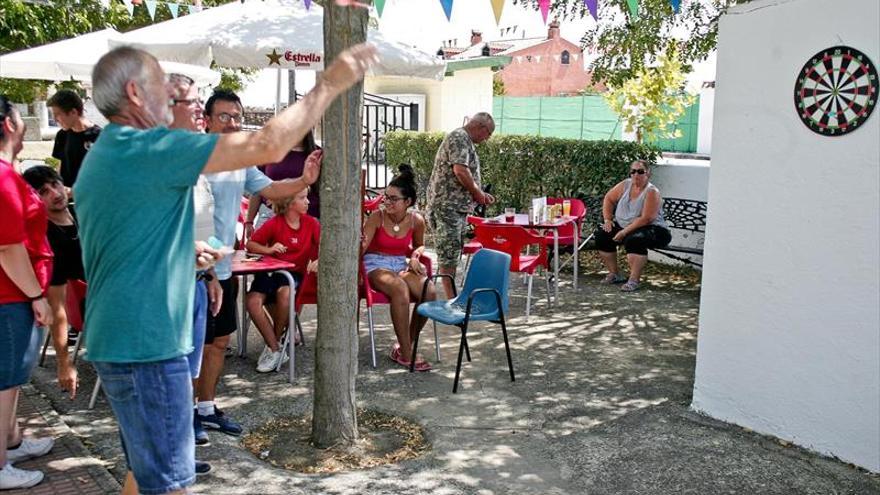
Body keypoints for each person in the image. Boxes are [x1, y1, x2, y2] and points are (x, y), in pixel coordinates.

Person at [73, 45, 376, 495]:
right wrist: (331, 81)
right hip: (147, 345)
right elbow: (269, 143)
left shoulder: (109, 154)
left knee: (143, 472)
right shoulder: (150, 145)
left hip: (124, 340)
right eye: (164, 85)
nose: (176, 95)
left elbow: (120, 244)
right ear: (136, 93)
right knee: (169, 484)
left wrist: (185, 255)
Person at [197, 89, 325, 437]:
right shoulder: (193, 158)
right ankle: (186, 416)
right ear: (206, 120)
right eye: (223, 116)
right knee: (193, 347)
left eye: (236, 117)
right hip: (194, 271)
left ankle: (205, 408)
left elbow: (271, 189)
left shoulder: (240, 160)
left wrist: (303, 181)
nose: (231, 123)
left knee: (219, 341)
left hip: (221, 269)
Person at [168, 72, 222, 473]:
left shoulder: (191, 159)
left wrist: (211, 276)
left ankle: (183, 444)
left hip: (198, 281)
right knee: (170, 372)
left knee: (188, 369)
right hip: (168, 291)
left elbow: (196, 226)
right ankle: (173, 455)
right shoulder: (155, 160)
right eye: (193, 104)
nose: (201, 112)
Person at [0, 96, 54, 491]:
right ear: (8, 123)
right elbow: (8, 247)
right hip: (10, 297)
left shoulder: (8, 172)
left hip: (14, 295)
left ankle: (12, 441)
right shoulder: (2, 177)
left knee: (13, 378)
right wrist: (36, 295)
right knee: (5, 380)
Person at [362, 165, 437, 371]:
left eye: (393, 198)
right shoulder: (377, 217)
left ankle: (404, 344)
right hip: (375, 264)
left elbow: (420, 244)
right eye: (385, 196)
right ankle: (406, 353)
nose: (386, 201)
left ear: (408, 202)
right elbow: (362, 247)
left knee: (429, 291)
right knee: (400, 289)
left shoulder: (416, 220)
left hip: (399, 263)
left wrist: (415, 255)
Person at [21, 166, 83, 400]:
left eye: (55, 185)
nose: (55, 193)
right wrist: (64, 363)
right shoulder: (46, 237)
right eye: (44, 191)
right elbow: (57, 308)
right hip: (87, 309)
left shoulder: (82, 214)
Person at [245, 189, 320, 372]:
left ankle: (274, 344)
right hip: (270, 272)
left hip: (292, 275)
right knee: (252, 301)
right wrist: (270, 250)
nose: (308, 202)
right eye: (302, 198)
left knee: (285, 294)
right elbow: (251, 244)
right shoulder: (274, 223)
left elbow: (323, 246)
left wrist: (318, 260)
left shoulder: (311, 223)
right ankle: (275, 348)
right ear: (288, 203)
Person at [425, 112, 495, 298]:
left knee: (452, 253)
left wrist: (480, 193)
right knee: (448, 256)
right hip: (447, 207)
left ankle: (453, 298)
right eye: (488, 134)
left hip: (454, 208)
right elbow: (460, 170)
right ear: (481, 127)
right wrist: (477, 193)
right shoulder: (459, 137)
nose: (486, 139)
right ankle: (452, 301)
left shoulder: (464, 139)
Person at [593, 160, 672, 292]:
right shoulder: (625, 185)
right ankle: (615, 274)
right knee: (602, 235)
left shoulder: (652, 191)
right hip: (626, 226)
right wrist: (607, 219)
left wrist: (624, 232)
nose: (636, 175)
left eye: (640, 172)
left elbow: (647, 218)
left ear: (648, 174)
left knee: (634, 239)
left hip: (654, 229)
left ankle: (634, 280)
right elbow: (609, 198)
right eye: (633, 171)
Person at [245, 131, 321, 233]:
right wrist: (249, 221)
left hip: (305, 219)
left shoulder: (317, 155)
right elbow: (258, 189)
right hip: (270, 215)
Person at [47, 89, 101, 191]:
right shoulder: (62, 135)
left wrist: (75, 191)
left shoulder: (99, 137)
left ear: (73, 112)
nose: (54, 120)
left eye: (57, 114)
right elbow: (60, 166)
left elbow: (103, 175)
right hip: (67, 201)